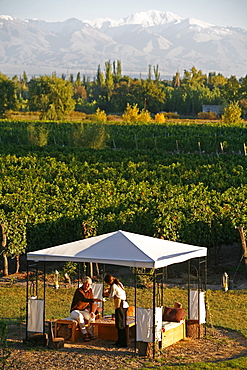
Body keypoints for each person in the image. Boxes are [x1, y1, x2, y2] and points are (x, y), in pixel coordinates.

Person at [70, 276, 102, 342]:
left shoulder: (90, 291)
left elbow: (91, 303)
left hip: (83, 310)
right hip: (75, 311)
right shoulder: (79, 291)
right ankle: (85, 334)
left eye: (89, 284)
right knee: (80, 316)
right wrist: (94, 299)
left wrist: (92, 312)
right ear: (83, 283)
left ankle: (90, 332)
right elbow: (84, 299)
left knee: (92, 317)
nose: (87, 285)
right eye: (86, 283)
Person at [103, 274, 129, 347]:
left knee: (120, 324)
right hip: (124, 305)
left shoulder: (114, 286)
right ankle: (119, 340)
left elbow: (111, 296)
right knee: (120, 323)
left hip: (120, 305)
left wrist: (105, 294)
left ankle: (123, 342)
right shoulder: (119, 283)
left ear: (108, 282)